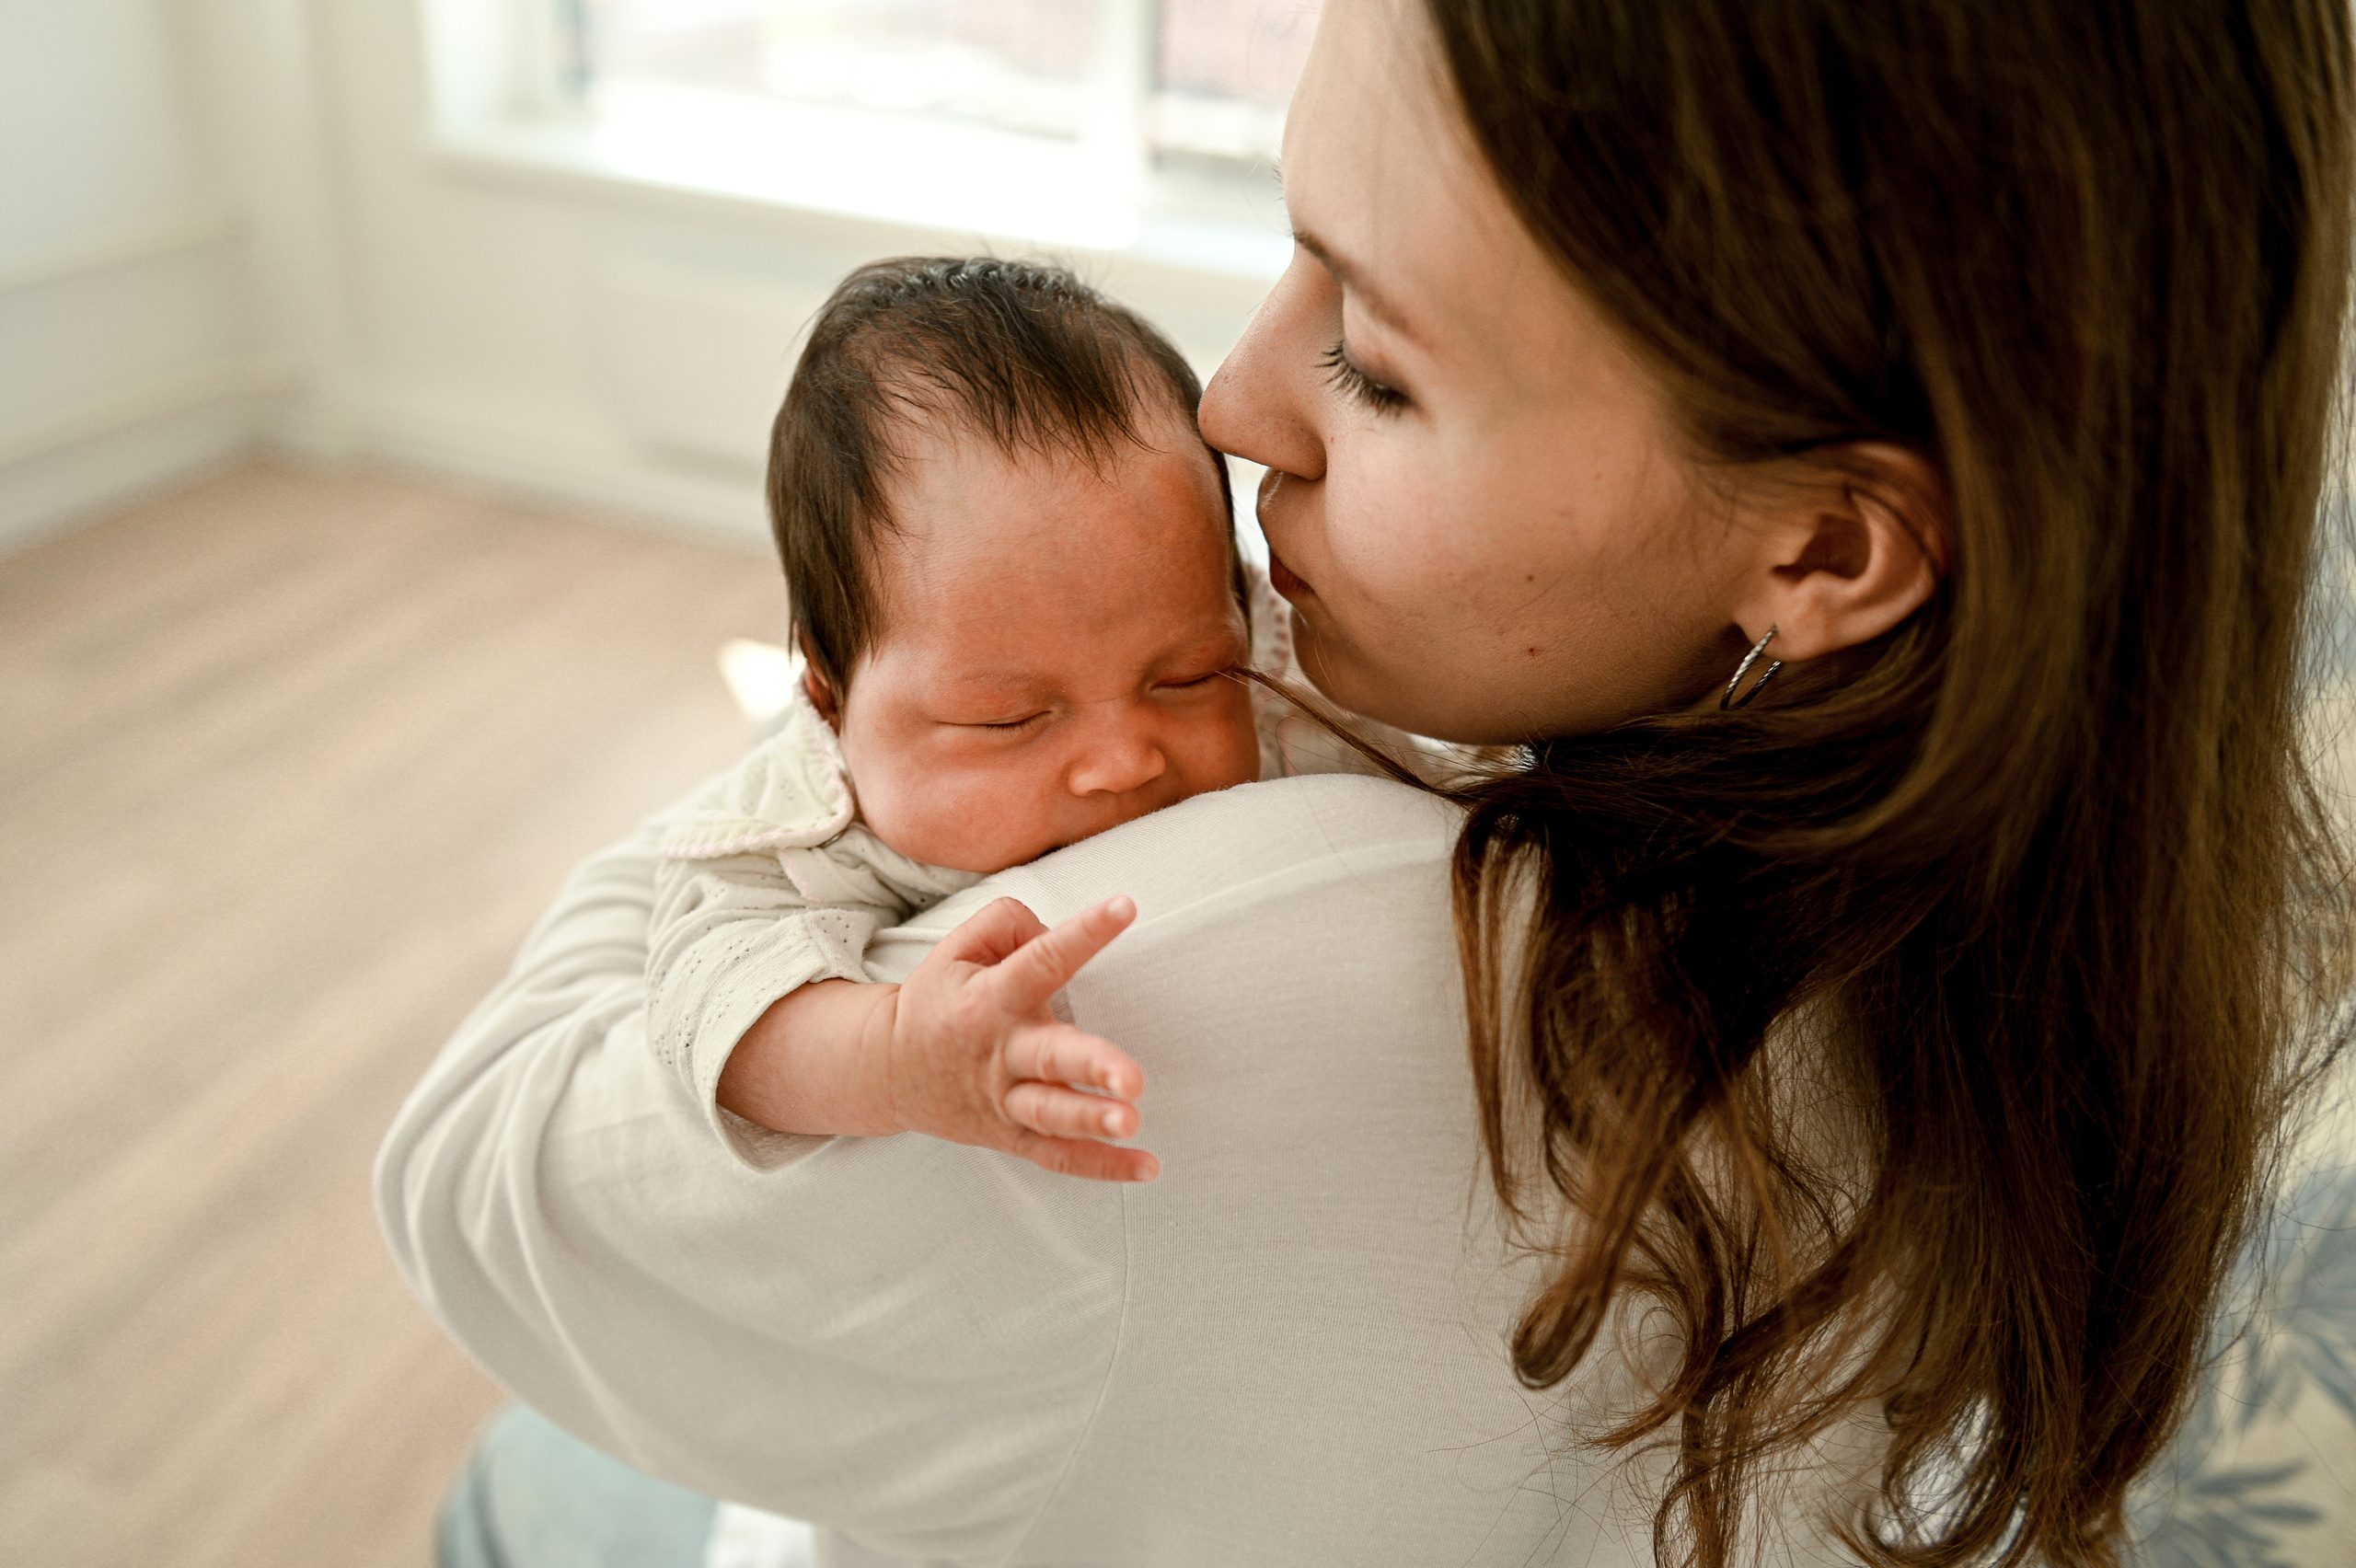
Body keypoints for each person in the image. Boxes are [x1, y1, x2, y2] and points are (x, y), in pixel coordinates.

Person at [379, 0, 2356, 1565]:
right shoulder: (2048, 913)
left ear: (1827, 550)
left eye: (1379, 362)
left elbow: (464, 1186)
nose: (1231, 412)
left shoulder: (1191, 992)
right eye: (1282, 251)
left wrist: (841, 750)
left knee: (513, 1497)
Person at [653, 255, 1414, 1186]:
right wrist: (891, 1053)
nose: (1123, 760)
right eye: (1010, 718)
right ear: (829, 692)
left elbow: (1435, 787)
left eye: (1183, 676)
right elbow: (707, 993)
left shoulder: (1282, 683)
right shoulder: (806, 838)